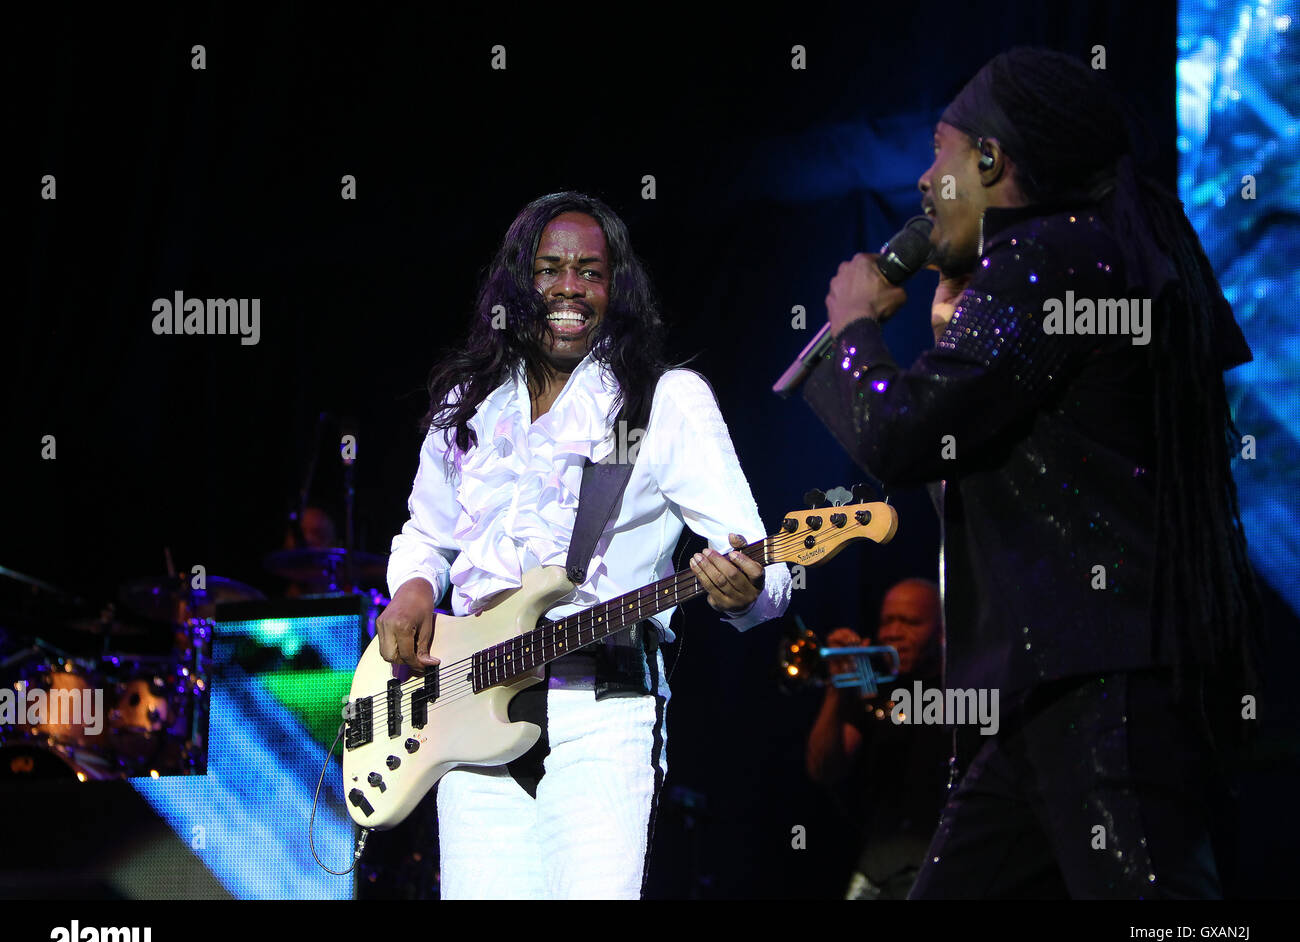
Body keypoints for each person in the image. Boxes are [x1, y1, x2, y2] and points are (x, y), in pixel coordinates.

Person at [802, 48, 1260, 898]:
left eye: (937, 150)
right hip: (1042, 692)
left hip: (1096, 685)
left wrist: (855, 328)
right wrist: (948, 323)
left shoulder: (1054, 252)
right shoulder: (1067, 258)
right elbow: (958, 472)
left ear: (989, 161)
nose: (920, 180)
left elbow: (899, 435)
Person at [378, 191, 791, 899]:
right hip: (469, 716)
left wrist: (749, 586)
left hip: (598, 714)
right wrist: (413, 586)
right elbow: (424, 534)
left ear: (615, 289)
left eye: (590, 272)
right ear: (517, 282)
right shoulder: (466, 412)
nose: (570, 287)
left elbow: (761, 561)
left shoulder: (664, 403)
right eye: (550, 268)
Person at [806, 579, 949, 899]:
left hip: (942, 861)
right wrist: (836, 690)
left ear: (942, 630)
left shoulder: (962, 687)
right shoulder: (872, 688)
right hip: (879, 864)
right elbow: (823, 769)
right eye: (887, 621)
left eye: (910, 622)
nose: (894, 632)